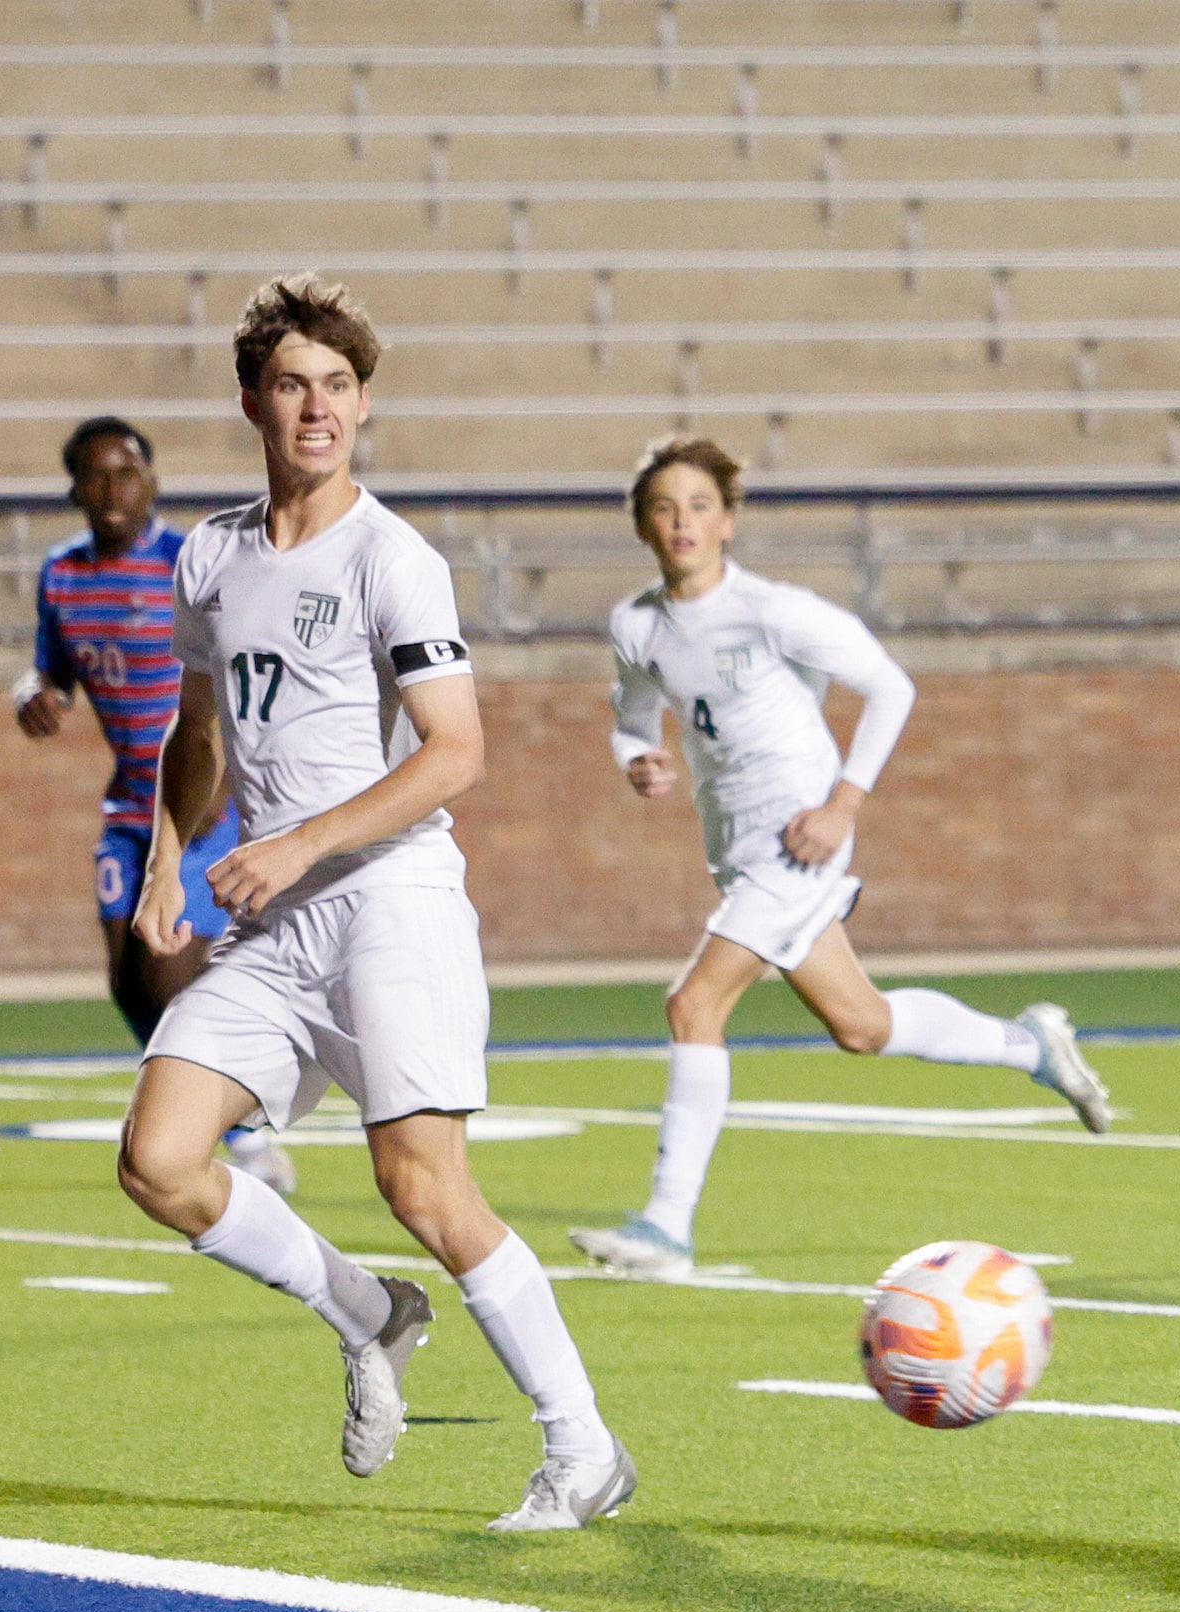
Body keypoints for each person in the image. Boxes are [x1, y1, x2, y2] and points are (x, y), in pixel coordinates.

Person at [117, 272, 634, 1532]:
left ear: (362, 406)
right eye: (293, 384)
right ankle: (368, 1310)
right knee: (158, 1161)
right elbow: (199, 729)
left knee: (427, 1189)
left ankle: (584, 1449)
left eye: (339, 387)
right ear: (253, 400)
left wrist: (294, 847)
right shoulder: (213, 551)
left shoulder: (395, 559)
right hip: (273, 928)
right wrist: (162, 853)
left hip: (389, 903)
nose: (318, 408)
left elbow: (453, 752)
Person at [566, 436, 1110, 1284]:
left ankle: (666, 1228)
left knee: (693, 1004)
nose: (683, 523)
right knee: (862, 1026)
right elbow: (631, 716)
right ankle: (1030, 1045)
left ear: (729, 522)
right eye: (665, 509)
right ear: (643, 525)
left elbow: (892, 686)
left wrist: (842, 803)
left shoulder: (776, 611)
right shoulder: (636, 625)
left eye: (700, 507)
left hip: (802, 833)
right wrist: (636, 758)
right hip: (736, 845)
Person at [14, 417, 295, 1193]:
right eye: (95, 475)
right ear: (73, 488)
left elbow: (248, 678)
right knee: (125, 980)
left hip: (202, 807)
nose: (112, 489)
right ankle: (231, 1117)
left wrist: (225, 780)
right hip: (128, 808)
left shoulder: (189, 564)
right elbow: (47, 670)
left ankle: (232, 1123)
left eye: (126, 472)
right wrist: (33, 696)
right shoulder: (62, 574)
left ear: (153, 482)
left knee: (170, 971)